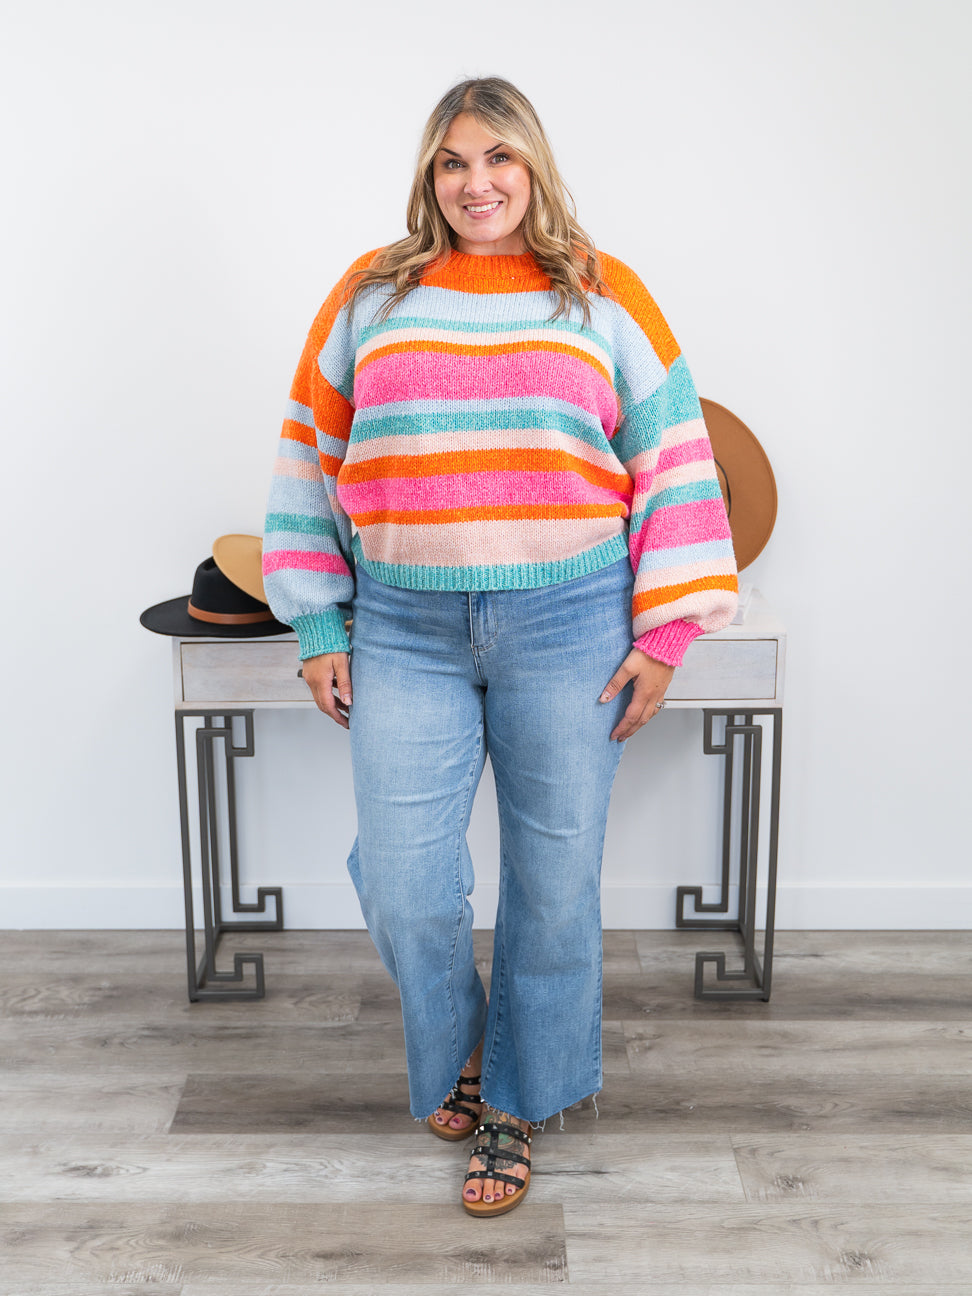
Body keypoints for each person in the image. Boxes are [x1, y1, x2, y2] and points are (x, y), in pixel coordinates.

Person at [262, 76, 738, 1217]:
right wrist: (318, 618)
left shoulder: (601, 291)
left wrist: (668, 630)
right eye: (453, 162)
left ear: (534, 166)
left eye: (498, 158)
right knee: (406, 877)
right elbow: (309, 452)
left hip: (571, 620)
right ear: (429, 176)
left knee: (555, 879)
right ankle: (467, 1046)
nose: (476, 184)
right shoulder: (372, 294)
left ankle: (514, 1104)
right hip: (405, 624)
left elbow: (674, 454)